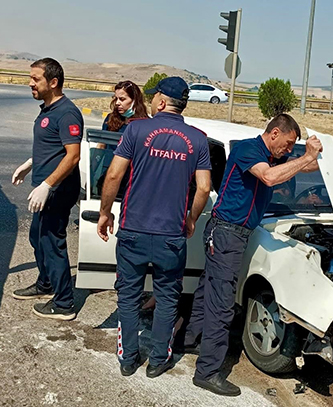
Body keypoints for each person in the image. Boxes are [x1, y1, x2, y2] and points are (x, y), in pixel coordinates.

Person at [183, 114, 330, 397]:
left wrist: (327, 148)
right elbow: (270, 177)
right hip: (226, 233)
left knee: (208, 289)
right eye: (287, 145)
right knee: (222, 303)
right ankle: (207, 372)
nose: (289, 151)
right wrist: (302, 158)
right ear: (274, 133)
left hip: (232, 234)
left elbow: (307, 166)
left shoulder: (272, 156)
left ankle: (190, 339)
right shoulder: (248, 149)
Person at [97, 76, 212, 378]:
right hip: (171, 236)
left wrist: (105, 213)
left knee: (129, 295)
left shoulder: (136, 129)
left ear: (161, 101)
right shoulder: (197, 139)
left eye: (153, 96)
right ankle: (159, 360)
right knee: (166, 298)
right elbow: (203, 188)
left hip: (134, 229)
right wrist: (191, 219)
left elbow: (113, 176)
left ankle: (128, 358)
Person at [11, 58, 83, 321]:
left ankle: (64, 302)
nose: (30, 83)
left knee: (51, 242)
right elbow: (53, 147)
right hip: (45, 185)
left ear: (53, 82)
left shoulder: (67, 113)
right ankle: (46, 283)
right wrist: (30, 164)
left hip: (57, 190)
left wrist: (47, 185)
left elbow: (72, 156)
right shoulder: (48, 110)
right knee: (36, 237)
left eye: (35, 79)